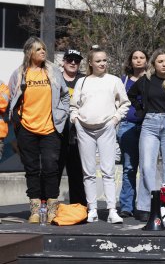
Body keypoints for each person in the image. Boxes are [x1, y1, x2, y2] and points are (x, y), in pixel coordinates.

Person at [8, 37, 70, 224]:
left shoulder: (52, 71)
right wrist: (17, 121)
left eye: (44, 48)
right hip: (26, 129)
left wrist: (61, 114)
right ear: (29, 53)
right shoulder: (20, 73)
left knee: (51, 167)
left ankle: (52, 209)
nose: (43, 52)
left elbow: (65, 96)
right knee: (32, 169)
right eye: (38, 49)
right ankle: (35, 210)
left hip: (50, 128)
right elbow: (12, 97)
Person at [70, 46, 130, 223]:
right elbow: (74, 106)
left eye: (104, 60)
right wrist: (76, 120)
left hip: (106, 128)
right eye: (98, 61)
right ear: (90, 63)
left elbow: (125, 103)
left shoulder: (114, 80)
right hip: (84, 129)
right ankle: (92, 209)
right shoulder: (82, 82)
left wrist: (115, 120)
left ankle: (112, 210)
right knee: (88, 172)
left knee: (108, 170)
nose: (102, 63)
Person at [128, 49, 165, 222]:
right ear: (153, 64)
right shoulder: (145, 81)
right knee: (146, 167)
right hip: (149, 124)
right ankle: (145, 207)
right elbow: (131, 95)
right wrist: (140, 110)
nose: (164, 64)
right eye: (160, 61)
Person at [117, 49, 148, 218]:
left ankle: (144, 206)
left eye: (142, 57)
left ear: (146, 60)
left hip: (147, 127)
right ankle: (127, 206)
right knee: (129, 167)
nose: (138, 60)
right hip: (127, 126)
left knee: (146, 167)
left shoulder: (151, 80)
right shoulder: (123, 81)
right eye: (135, 58)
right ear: (130, 61)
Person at [58, 48, 86, 205]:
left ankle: (79, 206)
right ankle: (48, 206)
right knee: (53, 171)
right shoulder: (55, 79)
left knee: (76, 172)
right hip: (58, 132)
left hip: (78, 133)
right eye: (70, 60)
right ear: (63, 62)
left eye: (77, 60)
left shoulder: (84, 80)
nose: (73, 63)